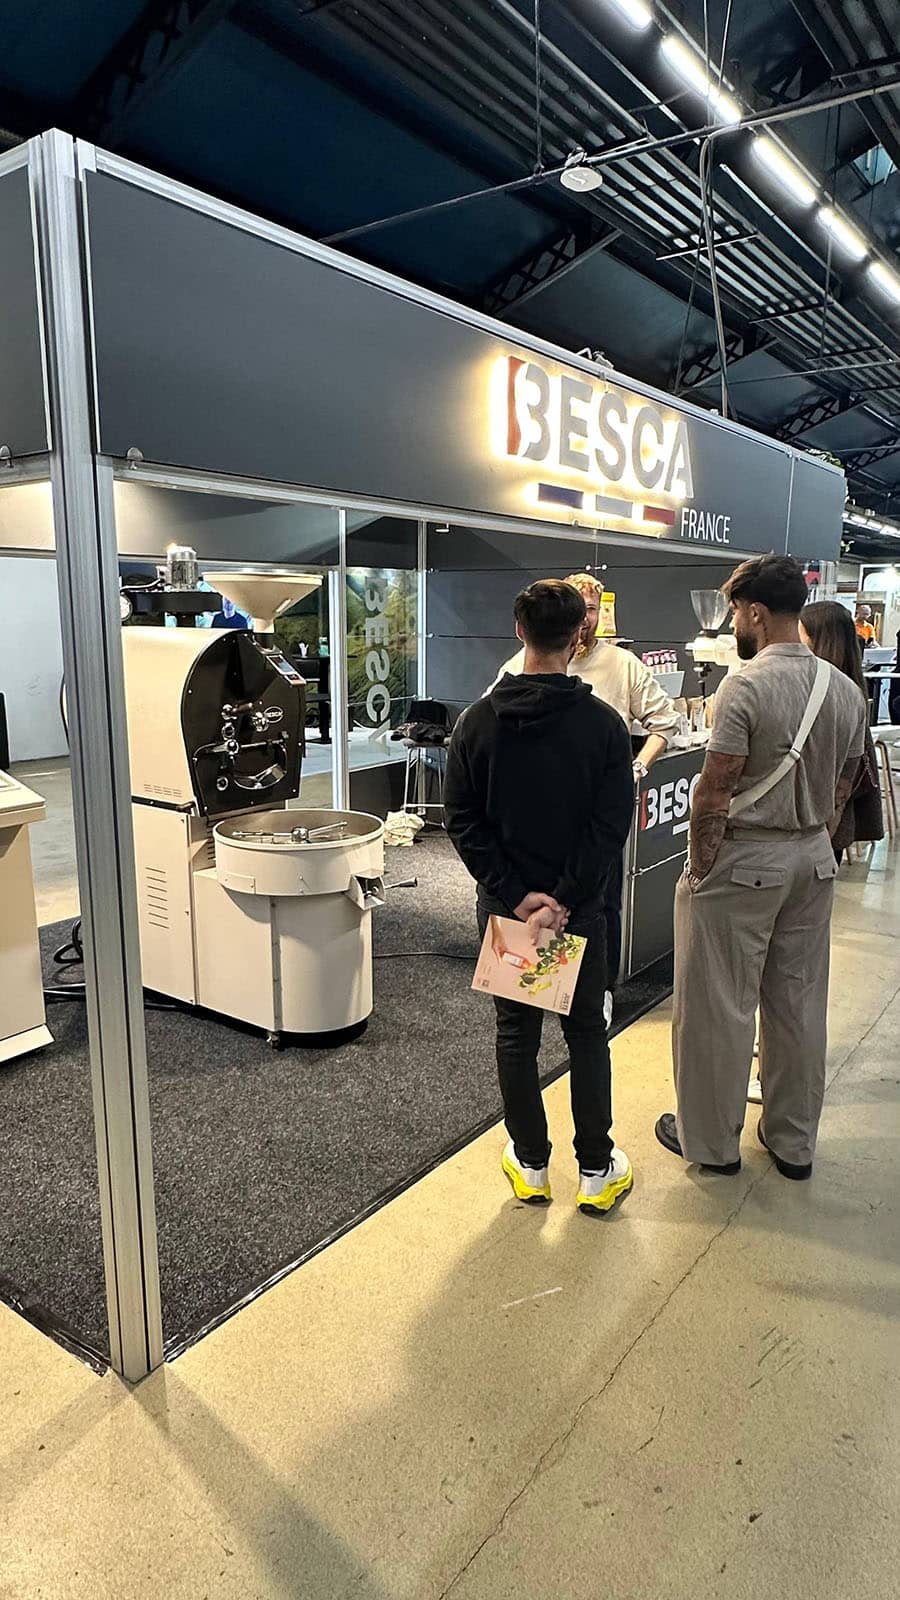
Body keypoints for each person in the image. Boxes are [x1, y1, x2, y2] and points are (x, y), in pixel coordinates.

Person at [655, 555, 867, 1182]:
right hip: (812, 860)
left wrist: (701, 869)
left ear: (755, 611)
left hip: (745, 859)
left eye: (735, 612)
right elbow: (846, 782)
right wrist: (813, 836)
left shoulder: (744, 686)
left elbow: (714, 789)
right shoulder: (845, 690)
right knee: (799, 1004)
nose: (733, 624)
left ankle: (712, 1143)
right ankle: (793, 1142)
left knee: (718, 1007)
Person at [446, 579, 634, 1213]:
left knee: (516, 1033)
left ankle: (530, 1164)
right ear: (579, 636)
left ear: (519, 630)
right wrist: (564, 898)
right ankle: (596, 1170)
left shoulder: (476, 723)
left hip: (510, 912)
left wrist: (517, 896)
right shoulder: (604, 727)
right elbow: (609, 826)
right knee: (586, 1032)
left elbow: (462, 820)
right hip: (579, 911)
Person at [487, 571, 679, 1023]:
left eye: (592, 609)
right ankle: (533, 993)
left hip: (593, 816)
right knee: (534, 907)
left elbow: (665, 723)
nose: (586, 619)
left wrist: (636, 767)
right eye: (581, 610)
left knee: (600, 902)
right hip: (533, 819)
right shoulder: (514, 669)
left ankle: (597, 990)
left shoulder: (622, 667)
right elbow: (490, 723)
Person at [800, 602, 884, 862]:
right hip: (829, 820)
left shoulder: (828, 693)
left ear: (819, 639)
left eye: (800, 634)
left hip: (817, 820)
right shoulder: (850, 689)